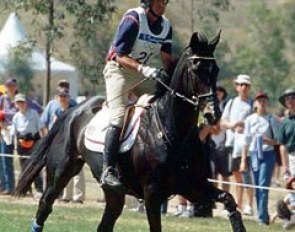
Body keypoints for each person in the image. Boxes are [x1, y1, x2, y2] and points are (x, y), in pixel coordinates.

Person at [100, 0, 173, 190]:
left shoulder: (166, 26)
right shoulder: (133, 19)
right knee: (118, 115)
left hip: (142, 74)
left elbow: (167, 59)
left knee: (161, 106)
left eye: (164, 1)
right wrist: (144, 69)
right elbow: (118, 55)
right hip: (119, 70)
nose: (162, 4)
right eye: (158, 1)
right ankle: (107, 170)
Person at [240, 91, 280, 225]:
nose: (262, 103)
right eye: (259, 100)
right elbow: (246, 141)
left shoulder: (271, 119)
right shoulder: (250, 119)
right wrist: (243, 160)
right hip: (254, 154)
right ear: (256, 103)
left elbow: (278, 140)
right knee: (257, 186)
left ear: (267, 103)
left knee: (263, 185)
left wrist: (267, 141)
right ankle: (262, 214)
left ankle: (262, 217)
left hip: (267, 154)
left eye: (264, 100)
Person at [220, 74, 254, 215]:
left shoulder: (252, 103)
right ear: (236, 87)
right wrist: (232, 125)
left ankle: (249, 205)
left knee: (246, 174)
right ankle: (238, 204)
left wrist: (245, 126)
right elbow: (223, 122)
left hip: (246, 144)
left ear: (249, 87)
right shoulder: (232, 102)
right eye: (240, 85)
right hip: (231, 142)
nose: (243, 87)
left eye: (246, 85)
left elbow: (257, 122)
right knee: (236, 175)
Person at [10, 93, 47, 197]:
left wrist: (44, 141)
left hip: (34, 142)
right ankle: (26, 189)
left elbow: (41, 127)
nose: (21, 104)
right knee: (24, 167)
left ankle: (39, 189)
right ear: (16, 104)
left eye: (22, 102)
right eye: (18, 102)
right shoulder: (16, 116)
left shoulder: (34, 113)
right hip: (21, 144)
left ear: (26, 103)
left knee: (35, 166)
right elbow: (13, 132)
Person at [54, 88, 85, 204]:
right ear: (58, 98)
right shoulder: (57, 111)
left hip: (74, 142)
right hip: (63, 143)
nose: (62, 98)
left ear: (68, 97)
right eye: (60, 96)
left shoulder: (74, 110)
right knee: (66, 169)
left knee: (78, 169)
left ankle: (78, 196)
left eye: (64, 96)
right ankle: (66, 195)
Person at [0, 78, 18, 195]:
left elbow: (37, 109)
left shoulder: (20, 98)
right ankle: (6, 186)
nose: (10, 87)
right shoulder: (2, 99)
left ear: (16, 86)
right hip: (5, 132)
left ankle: (15, 186)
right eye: (8, 85)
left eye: (12, 85)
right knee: (4, 159)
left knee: (21, 160)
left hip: (18, 132)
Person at [278, 88, 295, 178]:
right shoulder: (285, 122)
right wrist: (285, 167)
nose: (290, 101)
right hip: (292, 157)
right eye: (287, 99)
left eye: (293, 98)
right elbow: (282, 146)